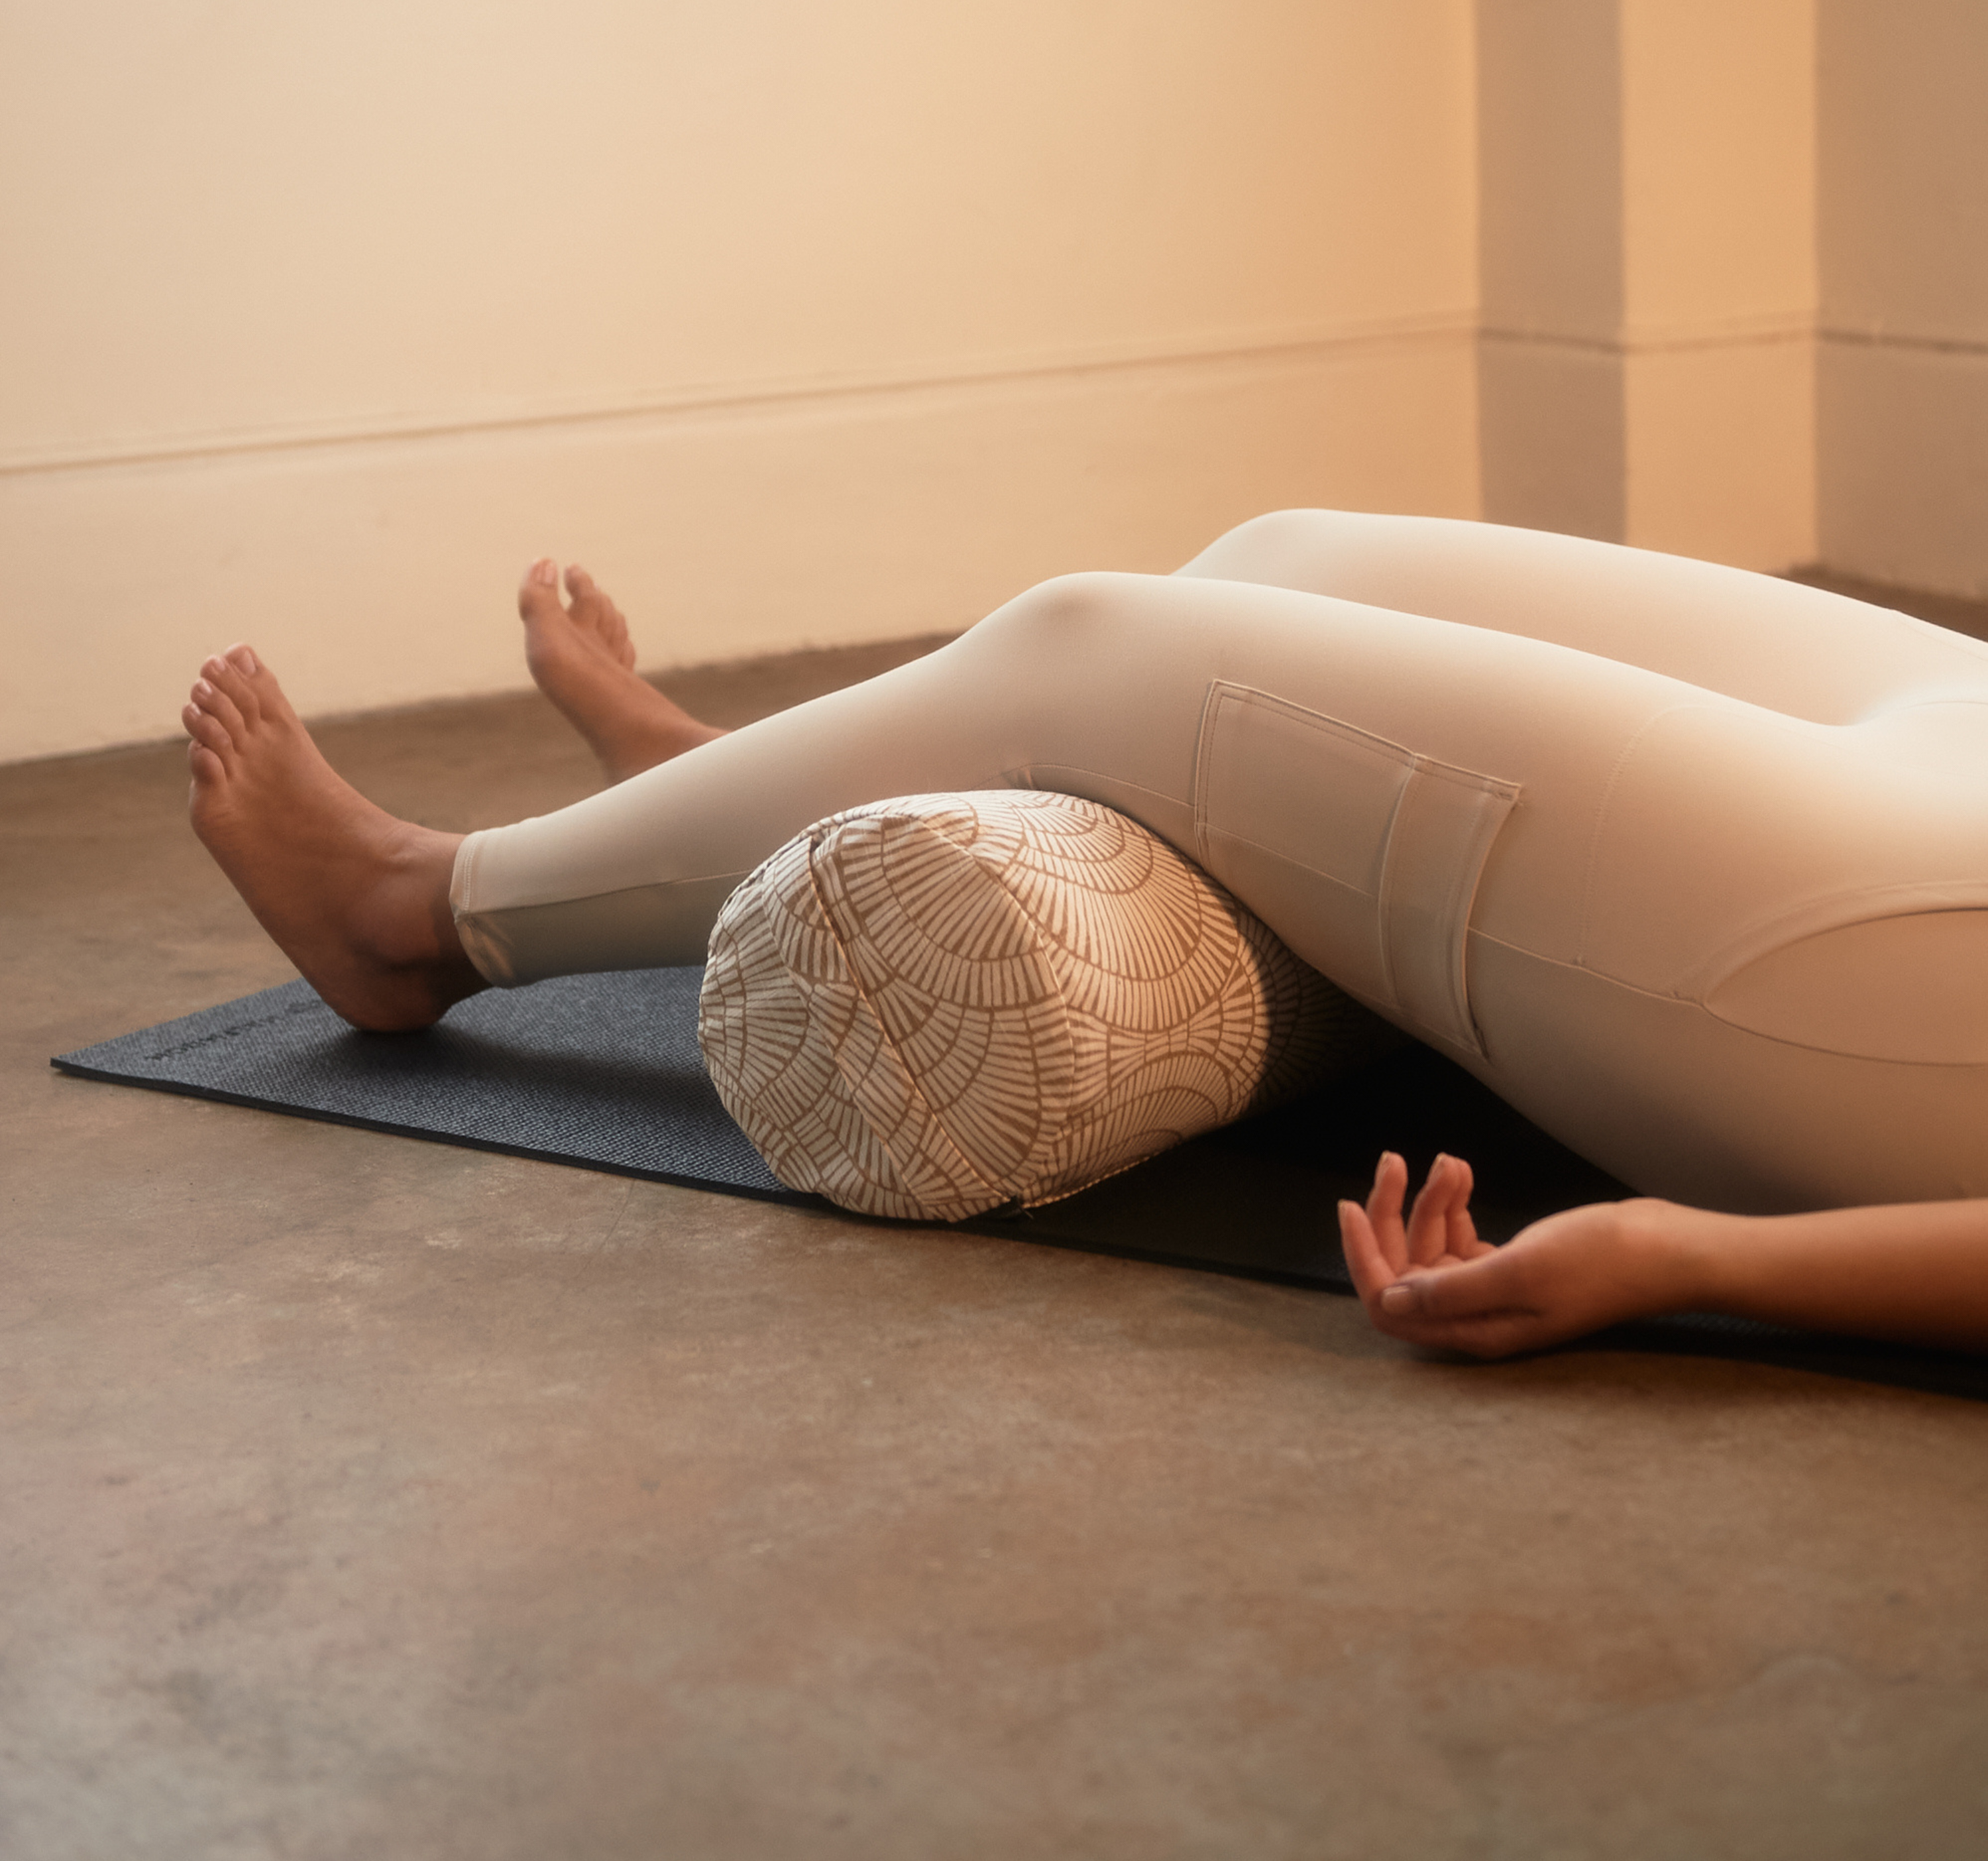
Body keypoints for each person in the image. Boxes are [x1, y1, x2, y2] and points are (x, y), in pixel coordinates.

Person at [180, 511, 1988, 1357]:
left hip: (1905, 974)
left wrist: (1693, 1258)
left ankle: (421, 915)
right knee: (1282, 565)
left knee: (1094, 650)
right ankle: (745, 793)